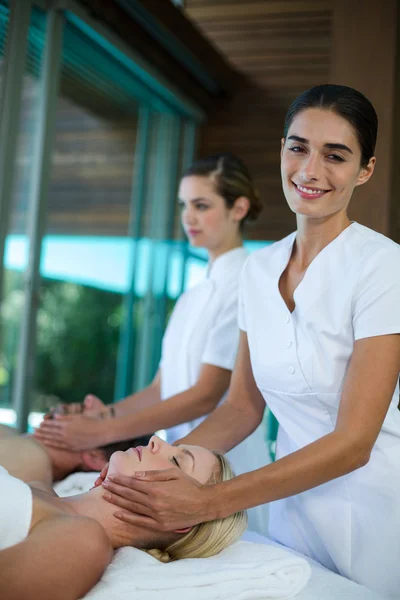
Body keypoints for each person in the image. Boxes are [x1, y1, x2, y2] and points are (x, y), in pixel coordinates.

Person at [92, 85, 400, 598]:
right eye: (298, 147)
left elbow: (354, 443)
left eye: (336, 155)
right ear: (281, 149)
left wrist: (210, 502)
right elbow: (241, 407)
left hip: (378, 504)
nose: (310, 170)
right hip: (290, 504)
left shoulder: (384, 267)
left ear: (365, 170)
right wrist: (147, 473)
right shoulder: (257, 272)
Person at [35, 153, 269, 534]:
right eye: (184, 205)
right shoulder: (194, 294)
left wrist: (101, 434)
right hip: (174, 458)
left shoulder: (245, 281)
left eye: (202, 205)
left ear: (239, 208)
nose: (188, 217)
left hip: (220, 460)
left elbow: (206, 394)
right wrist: (96, 419)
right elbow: (160, 389)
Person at [0, 435, 247, 600]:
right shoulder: (41, 488)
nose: (155, 440)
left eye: (176, 460)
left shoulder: (84, 541)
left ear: (181, 515)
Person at [0, 422, 151, 485]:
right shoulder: (16, 438)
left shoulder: (31, 461)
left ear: (94, 457)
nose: (89, 401)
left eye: (102, 416)